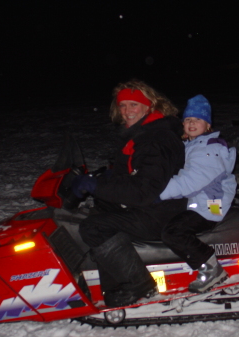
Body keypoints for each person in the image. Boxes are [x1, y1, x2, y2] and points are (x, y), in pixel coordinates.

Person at [72, 79, 187, 307]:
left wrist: (97, 186)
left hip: (159, 213)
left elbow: (143, 190)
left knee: (93, 227)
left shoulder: (157, 138)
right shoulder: (142, 133)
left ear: (149, 106)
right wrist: (104, 180)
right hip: (149, 206)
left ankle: (138, 283)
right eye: (122, 105)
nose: (127, 111)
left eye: (134, 105)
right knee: (97, 210)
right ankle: (109, 279)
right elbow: (134, 173)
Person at [159, 94, 237, 293]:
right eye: (188, 119)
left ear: (208, 125)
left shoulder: (210, 149)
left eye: (198, 119)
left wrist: (155, 192)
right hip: (197, 200)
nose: (192, 123)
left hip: (210, 205)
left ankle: (211, 267)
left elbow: (189, 182)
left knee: (173, 232)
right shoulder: (192, 145)